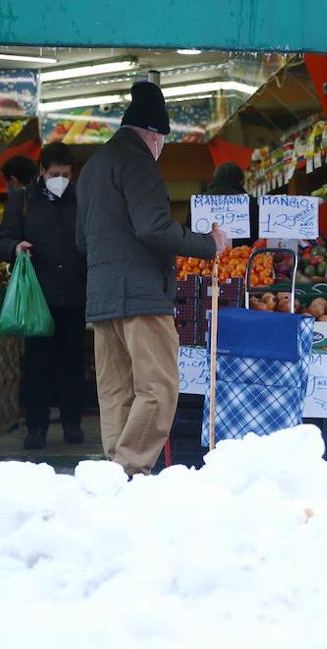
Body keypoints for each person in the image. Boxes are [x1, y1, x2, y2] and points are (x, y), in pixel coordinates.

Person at [76, 81, 227, 475]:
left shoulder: (93, 167)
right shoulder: (138, 161)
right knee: (158, 388)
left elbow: (81, 240)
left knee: (115, 392)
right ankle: (129, 468)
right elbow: (153, 227)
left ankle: (114, 473)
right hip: (141, 296)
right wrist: (208, 244)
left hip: (102, 299)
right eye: (163, 141)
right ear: (156, 136)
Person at [0, 142, 86, 450]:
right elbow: (3, 238)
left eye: (66, 174)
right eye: (54, 173)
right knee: (37, 365)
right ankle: (37, 428)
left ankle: (73, 422)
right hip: (38, 296)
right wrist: (15, 247)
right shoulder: (22, 200)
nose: (60, 179)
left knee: (73, 362)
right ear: (42, 171)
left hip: (75, 295)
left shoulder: (81, 199)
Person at [204, 161, 259, 247]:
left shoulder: (200, 203)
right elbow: (257, 234)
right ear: (241, 181)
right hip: (242, 256)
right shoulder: (249, 202)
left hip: (204, 256)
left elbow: (190, 232)